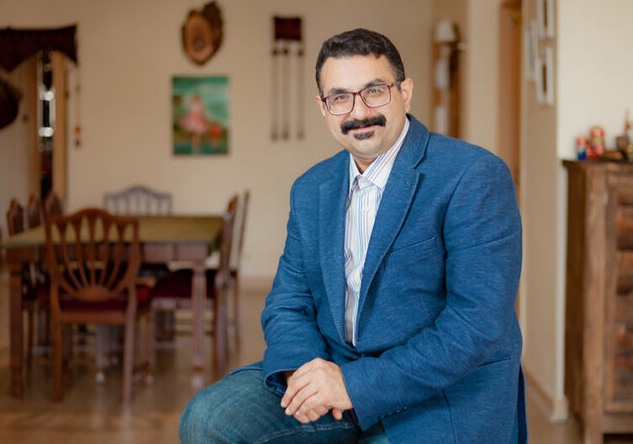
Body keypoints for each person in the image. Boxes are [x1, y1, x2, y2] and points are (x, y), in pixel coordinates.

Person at [179, 28, 526, 443]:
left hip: (437, 393)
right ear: (323, 107)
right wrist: (305, 373)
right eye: (340, 97)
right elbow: (288, 301)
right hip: (334, 369)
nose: (358, 112)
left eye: (374, 91)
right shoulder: (311, 189)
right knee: (206, 418)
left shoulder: (473, 175)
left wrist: (353, 384)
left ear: (405, 92)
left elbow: (476, 324)